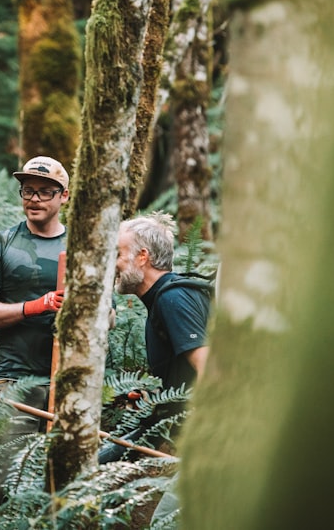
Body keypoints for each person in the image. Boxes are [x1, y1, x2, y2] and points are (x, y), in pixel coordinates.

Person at [0, 155, 70, 507]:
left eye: (45, 191)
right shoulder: (0, 244)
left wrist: (76, 310)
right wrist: (34, 307)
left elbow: (112, 319)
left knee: (63, 492)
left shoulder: (81, 250)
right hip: (15, 381)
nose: (35, 199)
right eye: (28, 190)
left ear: (64, 197)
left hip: (71, 383)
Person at [111, 211, 213, 525]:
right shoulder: (167, 297)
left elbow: (211, 369)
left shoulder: (173, 299)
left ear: (142, 257)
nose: (112, 263)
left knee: (164, 523)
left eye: (118, 253)